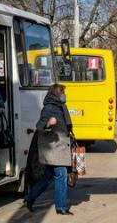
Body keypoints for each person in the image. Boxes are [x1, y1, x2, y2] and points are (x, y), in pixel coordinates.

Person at [25, 84, 73, 215]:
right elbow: (40, 126)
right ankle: (61, 207)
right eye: (62, 92)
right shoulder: (49, 108)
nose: (64, 95)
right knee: (61, 174)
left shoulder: (61, 106)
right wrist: (48, 124)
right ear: (57, 93)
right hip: (53, 148)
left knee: (47, 178)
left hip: (60, 147)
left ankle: (30, 198)